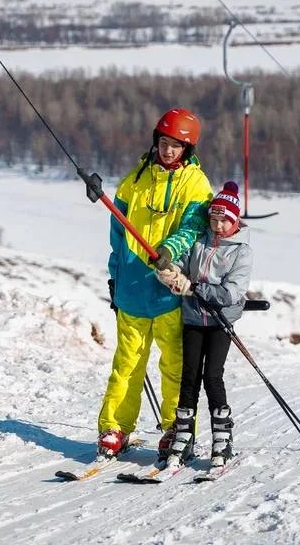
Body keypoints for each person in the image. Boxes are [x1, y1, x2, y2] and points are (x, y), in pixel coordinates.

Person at [97, 108, 213, 458]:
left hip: (169, 292)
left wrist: (169, 249)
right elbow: (118, 235)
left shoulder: (196, 185)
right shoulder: (134, 180)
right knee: (127, 364)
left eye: (176, 146)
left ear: (187, 149)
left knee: (174, 365)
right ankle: (115, 428)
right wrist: (116, 278)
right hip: (133, 289)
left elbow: (193, 228)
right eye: (163, 143)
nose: (167, 151)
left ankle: (175, 429)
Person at [156, 181, 253, 468]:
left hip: (221, 321)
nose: (218, 225)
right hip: (194, 317)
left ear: (234, 221)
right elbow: (183, 267)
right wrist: (171, 273)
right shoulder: (199, 241)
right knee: (189, 376)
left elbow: (230, 293)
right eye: (213, 219)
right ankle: (183, 435)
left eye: (224, 220)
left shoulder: (242, 251)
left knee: (212, 375)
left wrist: (193, 287)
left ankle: (222, 436)